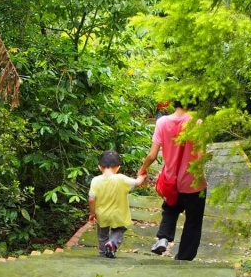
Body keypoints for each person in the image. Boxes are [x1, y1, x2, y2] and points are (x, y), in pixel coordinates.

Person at [138, 100, 207, 261]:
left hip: (171, 181)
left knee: (170, 209)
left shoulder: (162, 122)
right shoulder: (197, 123)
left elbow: (152, 155)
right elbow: (201, 156)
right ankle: (183, 258)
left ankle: (163, 237)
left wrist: (143, 169)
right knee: (193, 222)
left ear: (174, 102)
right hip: (193, 183)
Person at [88, 149, 146, 258]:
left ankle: (103, 254)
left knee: (102, 235)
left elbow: (91, 199)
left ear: (99, 167)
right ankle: (113, 243)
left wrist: (92, 213)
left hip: (102, 214)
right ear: (118, 167)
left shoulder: (95, 180)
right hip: (118, 214)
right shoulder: (121, 179)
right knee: (119, 229)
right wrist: (142, 176)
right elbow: (137, 183)